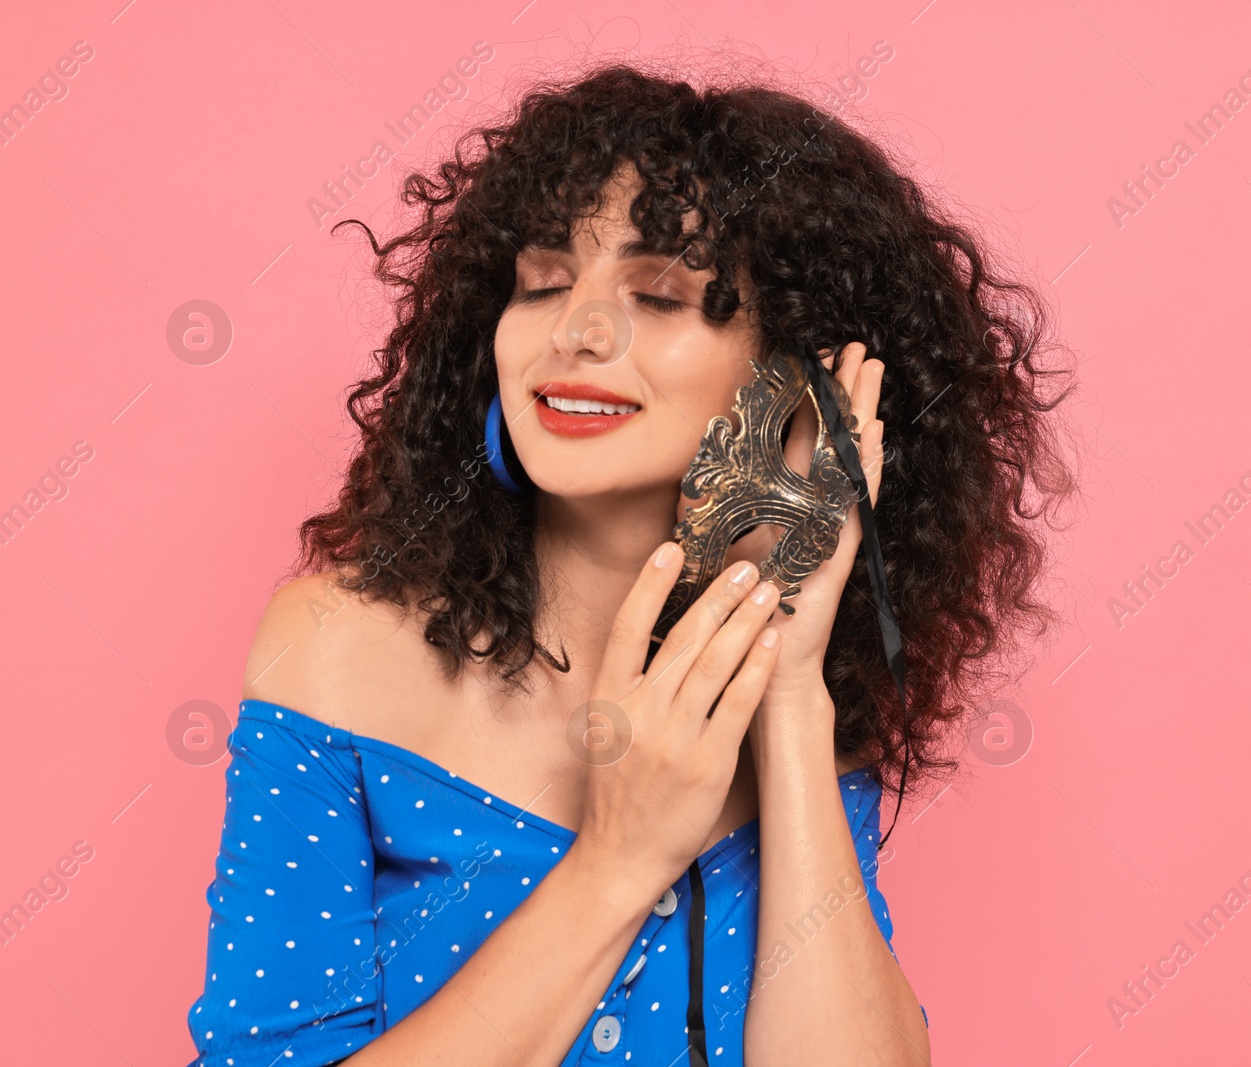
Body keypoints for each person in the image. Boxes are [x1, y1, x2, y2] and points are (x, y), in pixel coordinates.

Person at [185, 61, 1074, 1067]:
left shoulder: (809, 686)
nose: (577, 330)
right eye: (544, 282)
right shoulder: (336, 648)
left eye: (658, 294)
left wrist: (785, 683)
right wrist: (620, 857)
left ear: (789, 380)